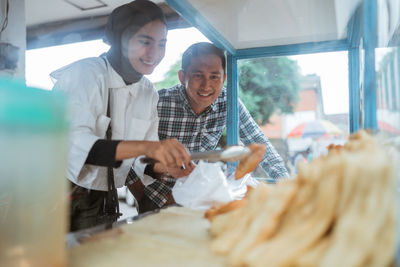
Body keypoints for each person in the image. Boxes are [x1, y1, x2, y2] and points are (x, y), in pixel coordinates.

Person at [51, 0, 192, 231]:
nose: (154, 53)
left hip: (105, 198)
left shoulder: (147, 91)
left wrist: (162, 168)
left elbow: (139, 159)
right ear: (119, 40)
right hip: (60, 196)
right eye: (145, 42)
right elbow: (78, 146)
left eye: (161, 44)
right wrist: (149, 148)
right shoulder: (86, 74)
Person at [127, 42, 289, 210]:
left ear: (224, 78)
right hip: (157, 201)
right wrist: (142, 196)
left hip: (201, 200)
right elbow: (124, 153)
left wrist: (287, 185)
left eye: (214, 76)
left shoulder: (229, 102)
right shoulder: (158, 103)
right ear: (182, 77)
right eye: (198, 75)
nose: (206, 85)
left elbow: (259, 143)